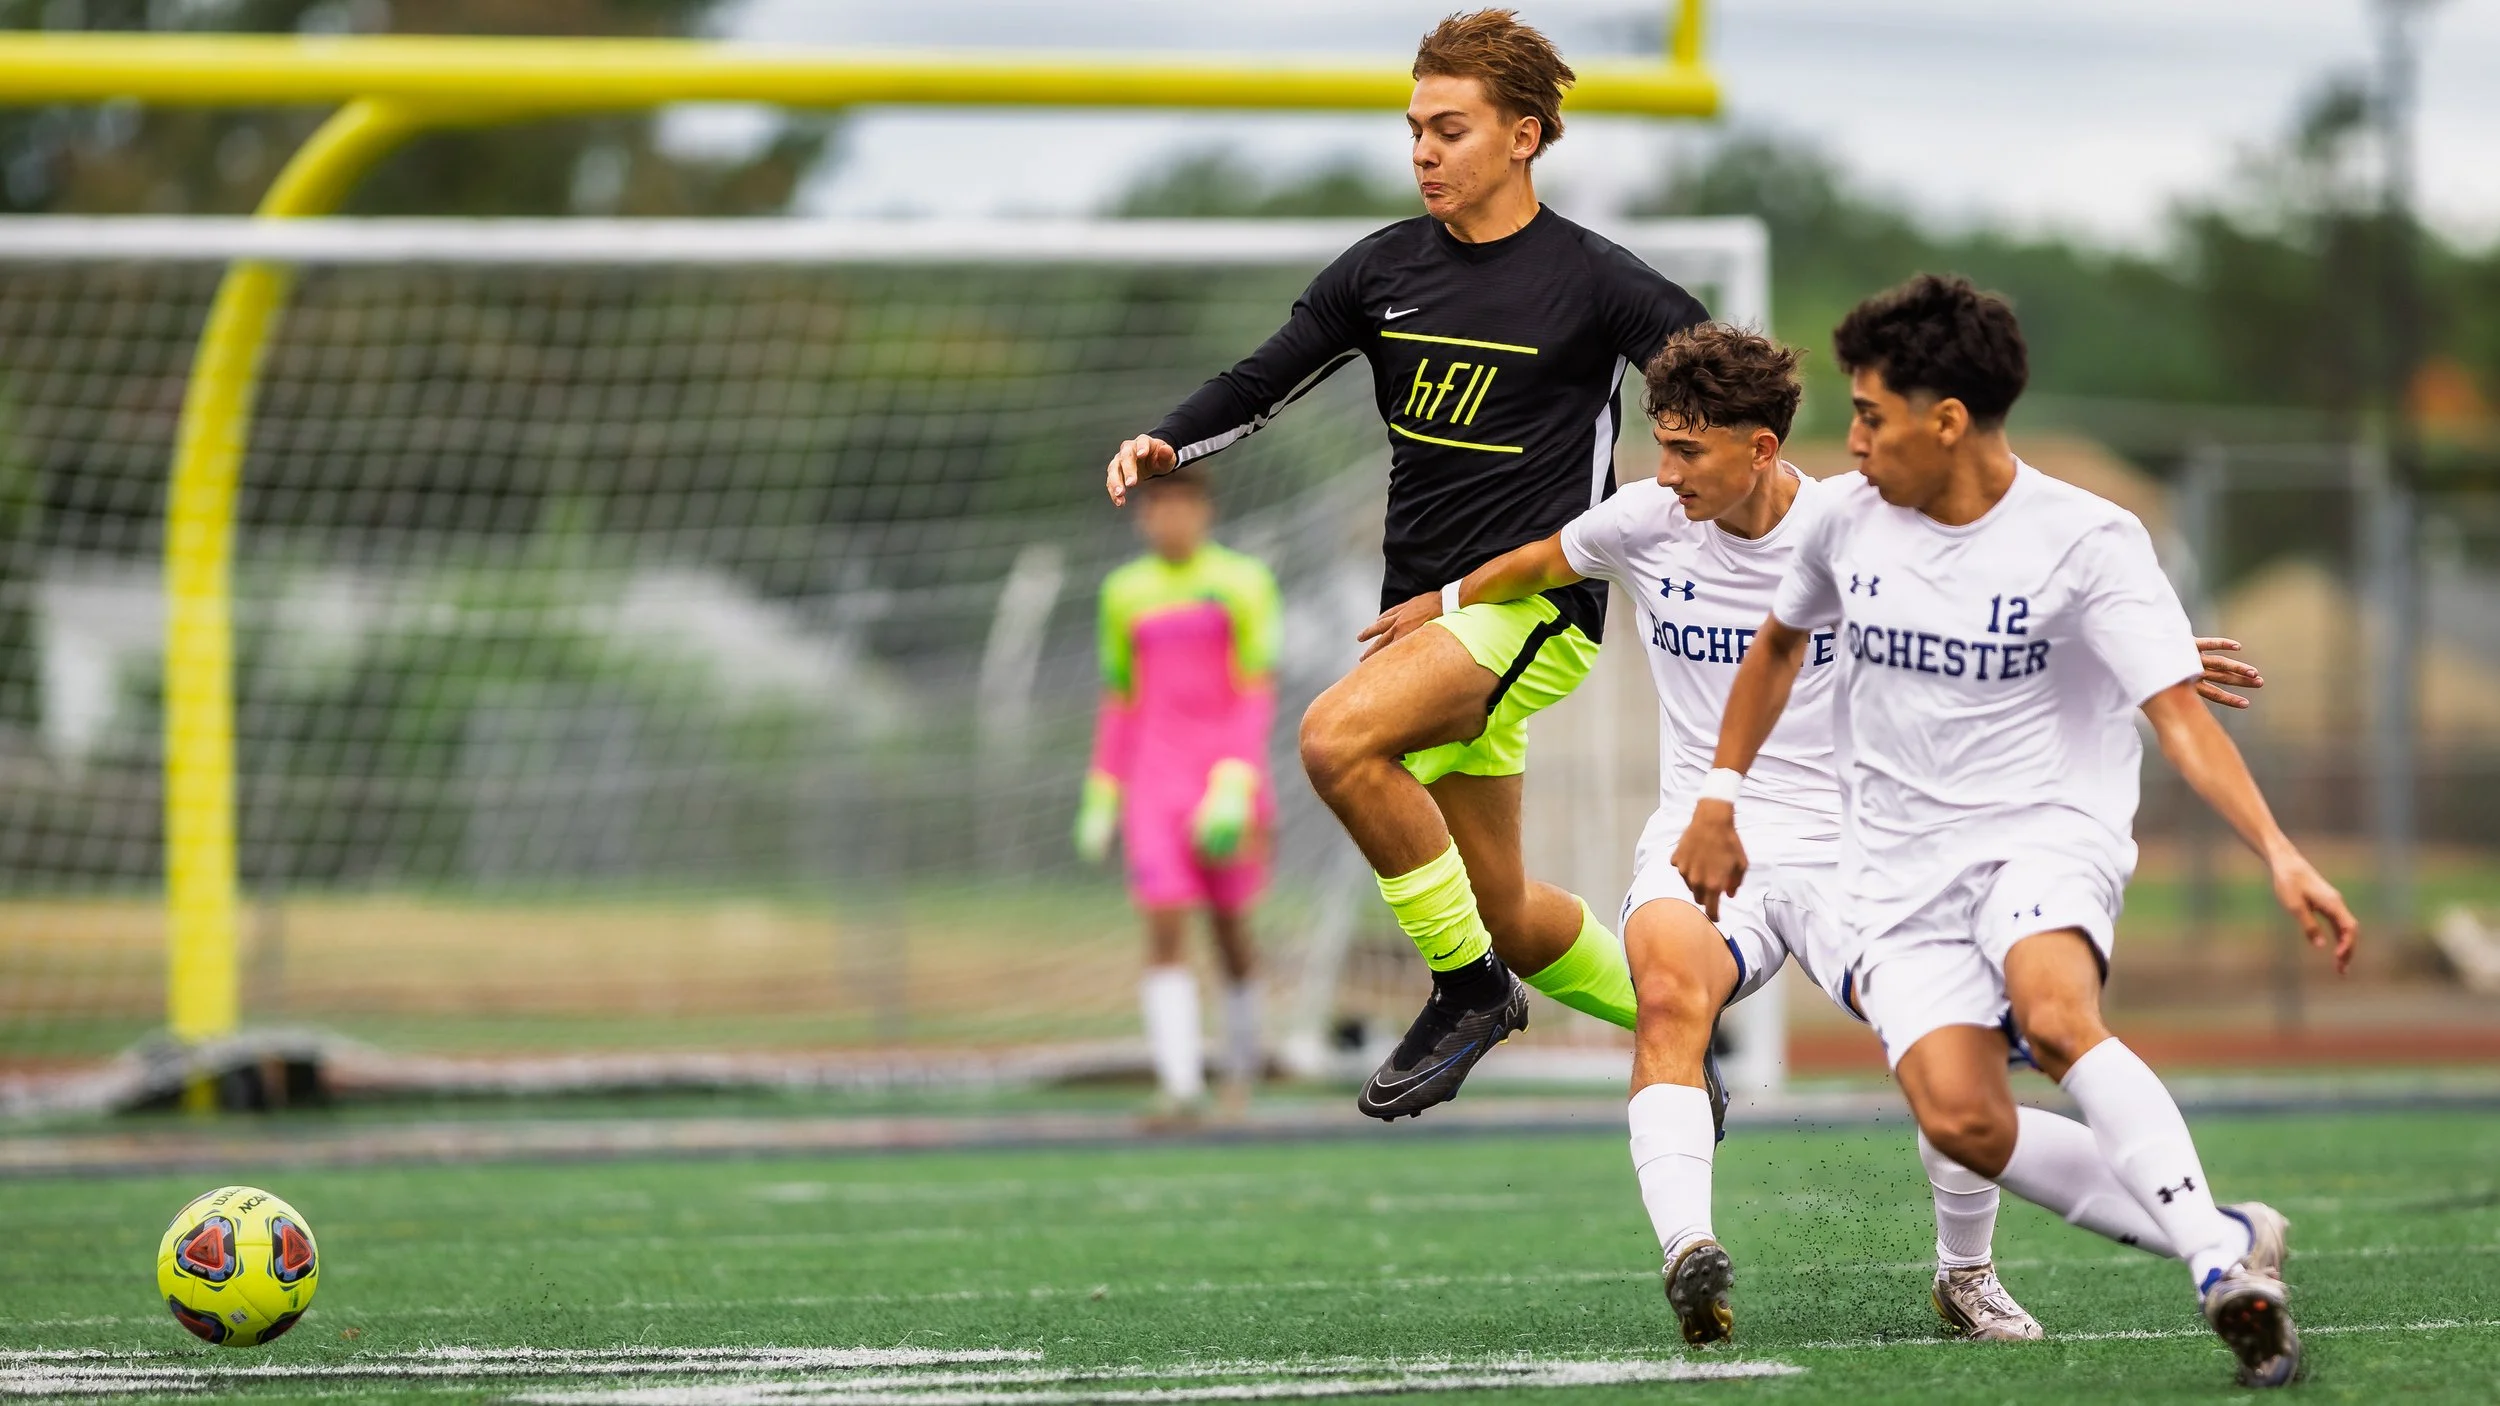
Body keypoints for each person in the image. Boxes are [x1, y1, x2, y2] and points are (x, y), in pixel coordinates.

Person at [1405, 323, 2267, 1347]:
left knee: (1959, 1084)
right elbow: (1542, 560)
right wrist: (1436, 604)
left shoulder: (1855, 533)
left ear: (1760, 448)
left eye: (1687, 451)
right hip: (1704, 831)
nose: (1662, 471)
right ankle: (1691, 1251)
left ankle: (1976, 1271)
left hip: (1861, 850)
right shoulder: (1643, 520)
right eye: (1659, 445)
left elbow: (1998, 618)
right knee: (1669, 990)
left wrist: (2147, 651)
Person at [1678, 275, 2357, 1386]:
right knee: (1961, 1121)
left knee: (2052, 1012)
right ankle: (2232, 1228)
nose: (1849, 442)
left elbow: (2176, 718)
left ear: (1945, 421)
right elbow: (1774, 647)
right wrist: (1718, 796)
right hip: (1894, 869)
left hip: (2047, 830)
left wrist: (2278, 850)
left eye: (1869, 415)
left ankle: (2214, 1269)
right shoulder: (1843, 521)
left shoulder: (2087, 538)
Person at [1104, 9, 1707, 1119]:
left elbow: (1720, 379)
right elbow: (1258, 380)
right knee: (1514, 908)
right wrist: (1165, 439)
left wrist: (1704, 501)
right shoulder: (1382, 268)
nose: (1424, 151)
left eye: (1451, 128)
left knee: (1335, 736)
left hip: (1531, 607)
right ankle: (1680, 1015)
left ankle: (1468, 992)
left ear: (1523, 137)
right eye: (1414, 129)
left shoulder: (1596, 279)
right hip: (1418, 620)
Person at [1077, 468, 1281, 1121]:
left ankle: (1241, 1076)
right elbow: (1121, 699)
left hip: (1226, 780)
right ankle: (1181, 1086)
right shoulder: (1122, 593)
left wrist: (1235, 782)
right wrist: (1103, 789)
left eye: (1182, 505)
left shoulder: (1244, 583)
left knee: (1230, 934)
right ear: (1143, 517)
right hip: (1153, 786)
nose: (1170, 518)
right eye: (1157, 507)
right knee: (1163, 927)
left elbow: (1256, 691)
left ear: (1205, 511)